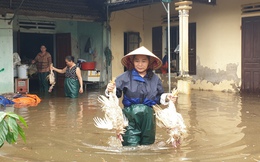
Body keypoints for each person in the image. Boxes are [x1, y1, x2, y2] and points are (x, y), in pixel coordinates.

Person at [106, 46, 177, 146]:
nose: (140, 64)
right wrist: (110, 89)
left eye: (144, 61)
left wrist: (167, 97)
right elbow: (115, 95)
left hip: (149, 117)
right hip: (130, 117)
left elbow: (158, 97)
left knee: (147, 146)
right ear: (132, 62)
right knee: (130, 146)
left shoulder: (155, 79)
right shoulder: (125, 77)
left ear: (149, 62)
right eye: (137, 61)